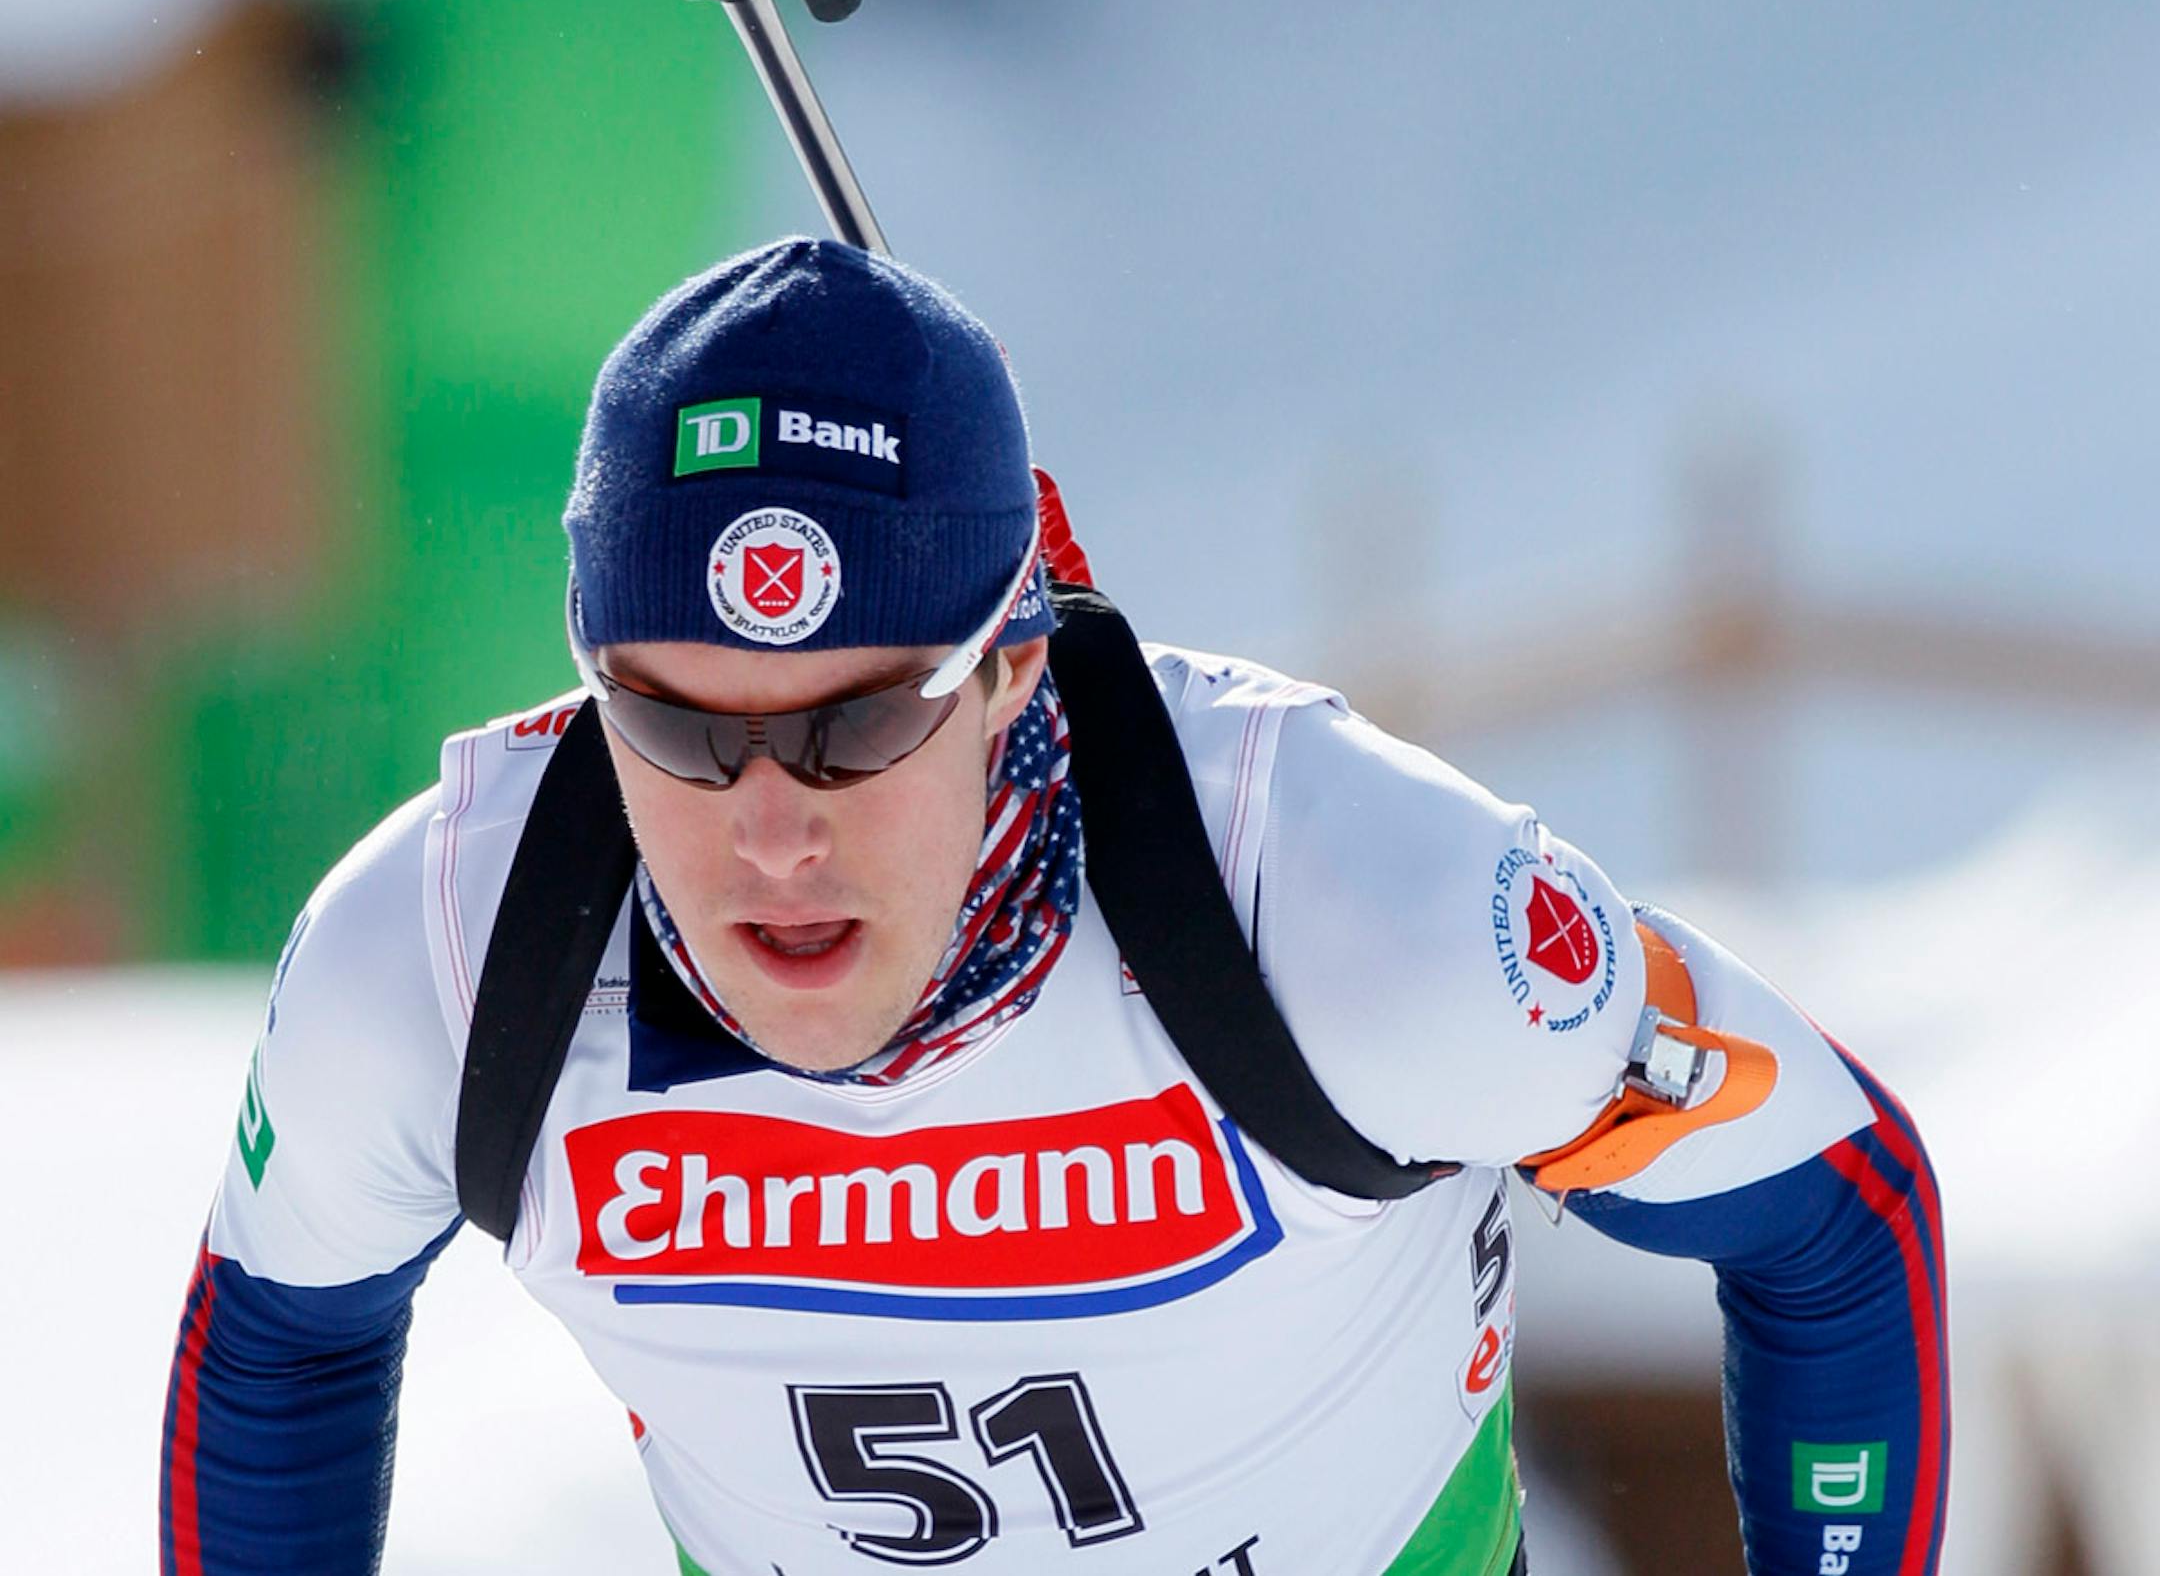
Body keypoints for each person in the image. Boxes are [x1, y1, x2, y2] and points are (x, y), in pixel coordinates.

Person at [160, 239, 1947, 1576]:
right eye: (676, 730)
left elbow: (1836, 1207)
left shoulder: (1357, 907)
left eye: (859, 728)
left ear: (1014, 668)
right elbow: (280, 1344)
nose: (769, 833)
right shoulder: (446, 952)